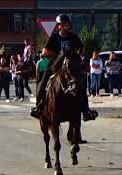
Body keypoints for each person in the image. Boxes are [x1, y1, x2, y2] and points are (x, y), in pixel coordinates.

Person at [34, 13, 98, 143]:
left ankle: (86, 111)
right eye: (62, 25)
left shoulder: (73, 37)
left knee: (80, 84)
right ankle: (38, 108)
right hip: (54, 67)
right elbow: (44, 52)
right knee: (42, 83)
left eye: (67, 25)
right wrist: (58, 55)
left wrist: (78, 53)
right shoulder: (54, 38)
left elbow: (82, 49)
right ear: (58, 26)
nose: (65, 27)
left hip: (70, 68)